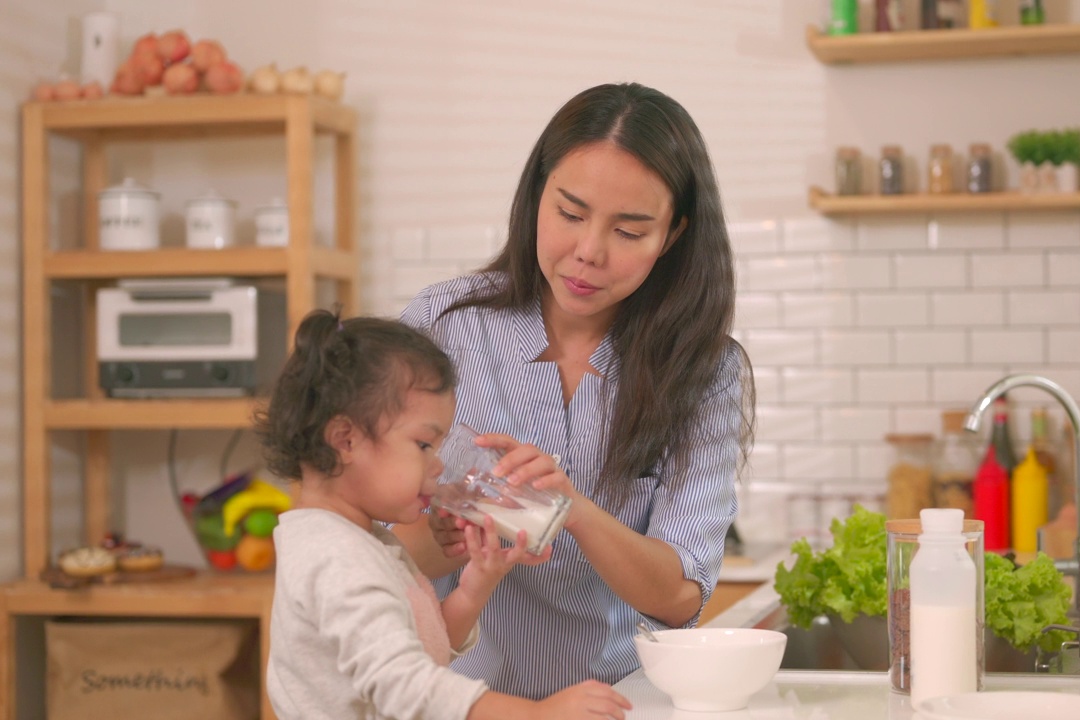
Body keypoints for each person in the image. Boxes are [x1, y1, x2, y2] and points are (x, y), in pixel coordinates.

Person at [396, 82, 755, 699]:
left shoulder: (703, 370)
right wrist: (458, 530)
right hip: (450, 701)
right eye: (569, 214)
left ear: (671, 237)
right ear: (536, 195)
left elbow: (679, 599)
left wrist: (573, 509)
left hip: (612, 703)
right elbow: (381, 556)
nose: (589, 253)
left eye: (630, 232)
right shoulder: (442, 326)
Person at [256, 309, 632, 720]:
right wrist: (538, 713)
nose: (439, 466)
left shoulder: (357, 538)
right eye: (423, 445)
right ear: (345, 440)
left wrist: (475, 587)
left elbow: (422, 647)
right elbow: (407, 687)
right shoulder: (337, 556)